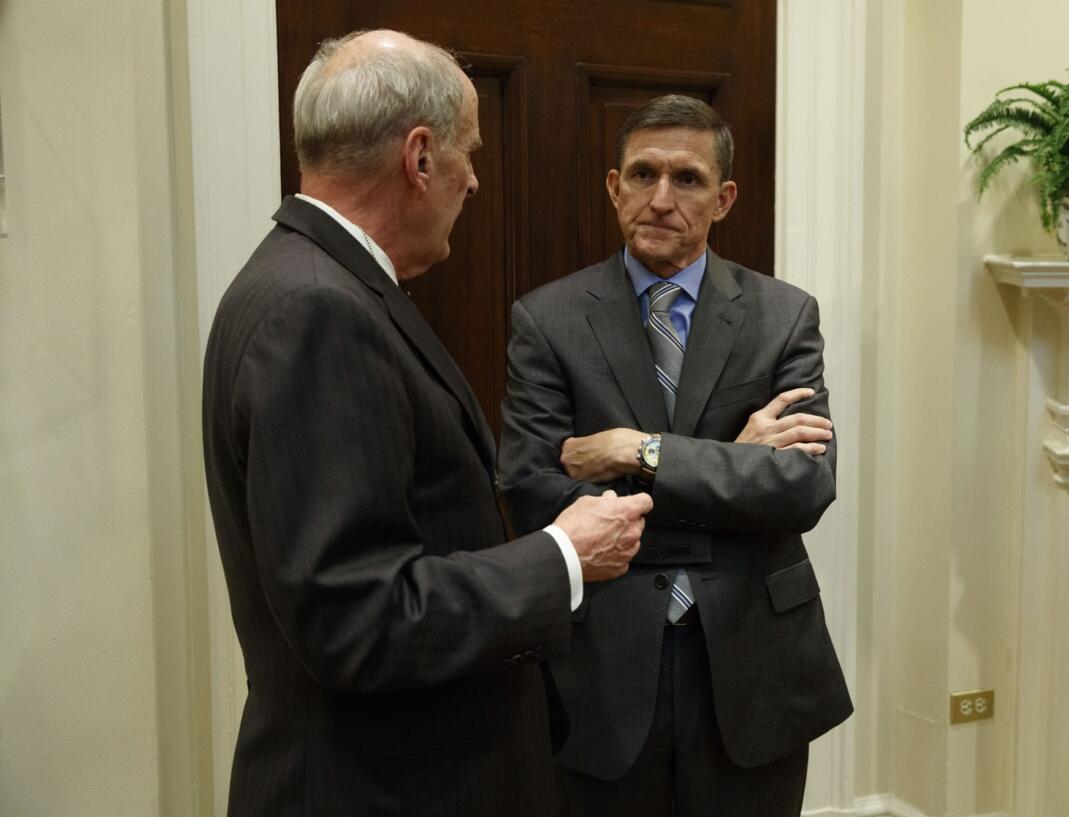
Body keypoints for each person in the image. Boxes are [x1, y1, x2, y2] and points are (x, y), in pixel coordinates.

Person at [202, 30, 651, 817]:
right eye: (467, 154)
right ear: (418, 157)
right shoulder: (316, 309)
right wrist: (562, 556)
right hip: (383, 786)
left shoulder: (304, 278)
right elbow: (357, 615)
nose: (475, 181)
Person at [499, 95, 852, 816]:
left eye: (687, 179)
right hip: (600, 665)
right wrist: (730, 464)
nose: (661, 198)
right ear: (613, 185)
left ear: (723, 198)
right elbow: (532, 491)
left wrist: (641, 450)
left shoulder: (784, 316)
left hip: (756, 664)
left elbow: (804, 488)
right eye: (643, 174)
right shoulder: (549, 319)